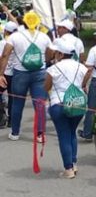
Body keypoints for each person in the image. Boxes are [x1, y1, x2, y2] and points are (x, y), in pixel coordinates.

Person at [0, 11, 52, 141]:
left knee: (17, 103)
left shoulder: (15, 37)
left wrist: (1, 74)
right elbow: (51, 52)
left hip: (20, 73)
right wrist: (44, 61)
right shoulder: (44, 37)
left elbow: (5, 54)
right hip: (39, 72)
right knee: (39, 103)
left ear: (23, 22)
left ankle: (15, 132)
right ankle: (40, 134)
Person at [45, 34, 87, 179]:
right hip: (78, 104)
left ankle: (68, 168)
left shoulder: (53, 68)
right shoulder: (81, 67)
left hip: (59, 103)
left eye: (57, 52)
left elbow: (47, 86)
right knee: (72, 133)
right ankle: (74, 163)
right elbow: (83, 82)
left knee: (63, 135)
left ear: (61, 54)